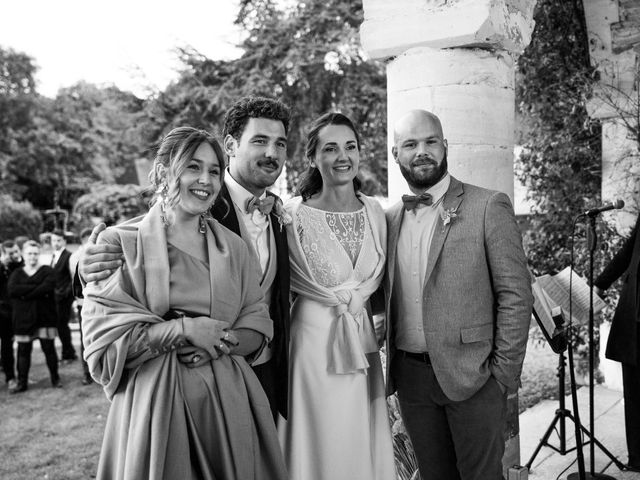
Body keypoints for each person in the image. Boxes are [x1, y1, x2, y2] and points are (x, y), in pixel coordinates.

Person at [81, 127, 286, 480]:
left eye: (213, 170)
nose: (205, 180)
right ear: (163, 172)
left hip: (226, 409)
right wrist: (184, 330)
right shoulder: (121, 244)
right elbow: (104, 347)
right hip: (154, 413)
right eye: (192, 167)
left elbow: (258, 324)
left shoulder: (235, 248)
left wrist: (218, 344)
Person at [384, 109, 533, 480]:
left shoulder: (487, 206)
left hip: (476, 377)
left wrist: (502, 377)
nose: (422, 151)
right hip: (412, 381)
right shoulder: (388, 219)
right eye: (410, 144)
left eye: (431, 141)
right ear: (395, 154)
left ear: (445, 146)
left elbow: (516, 294)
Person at [280, 112, 396, 480]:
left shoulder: (376, 212)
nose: (342, 156)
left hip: (360, 339)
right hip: (312, 343)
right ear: (313, 157)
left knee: (358, 431)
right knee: (320, 434)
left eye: (350, 146)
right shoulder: (291, 215)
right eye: (330, 148)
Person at [594, 212, 640, 472]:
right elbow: (631, 248)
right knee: (633, 391)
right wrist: (601, 282)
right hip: (634, 313)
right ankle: (637, 459)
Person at [8, 240, 61, 393]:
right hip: (23, 319)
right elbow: (12, 290)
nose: (32, 256)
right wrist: (37, 290)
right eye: (29, 253)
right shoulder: (17, 273)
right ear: (24, 255)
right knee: (23, 351)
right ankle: (22, 383)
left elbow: (48, 286)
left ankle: (55, 379)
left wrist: (24, 293)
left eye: (35, 253)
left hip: (45, 317)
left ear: (40, 254)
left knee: (49, 349)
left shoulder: (47, 271)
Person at [69, 227, 93, 385]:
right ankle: (87, 373)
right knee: (86, 338)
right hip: (84, 303)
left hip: (94, 302)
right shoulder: (76, 257)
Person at [50, 229, 77, 361]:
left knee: (62, 325)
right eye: (53, 240)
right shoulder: (54, 256)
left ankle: (68, 354)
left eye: (58, 240)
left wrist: (65, 294)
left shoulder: (68, 256)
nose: (56, 243)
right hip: (56, 298)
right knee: (60, 326)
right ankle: (68, 352)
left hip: (65, 298)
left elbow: (72, 278)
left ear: (64, 241)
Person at [0, 240, 23, 391]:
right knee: (6, 347)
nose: (15, 255)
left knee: (15, 346)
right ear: (3, 254)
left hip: (15, 313)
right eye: (11, 253)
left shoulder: (20, 266)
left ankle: (16, 377)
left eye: (16, 251)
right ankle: (9, 375)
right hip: (2, 312)